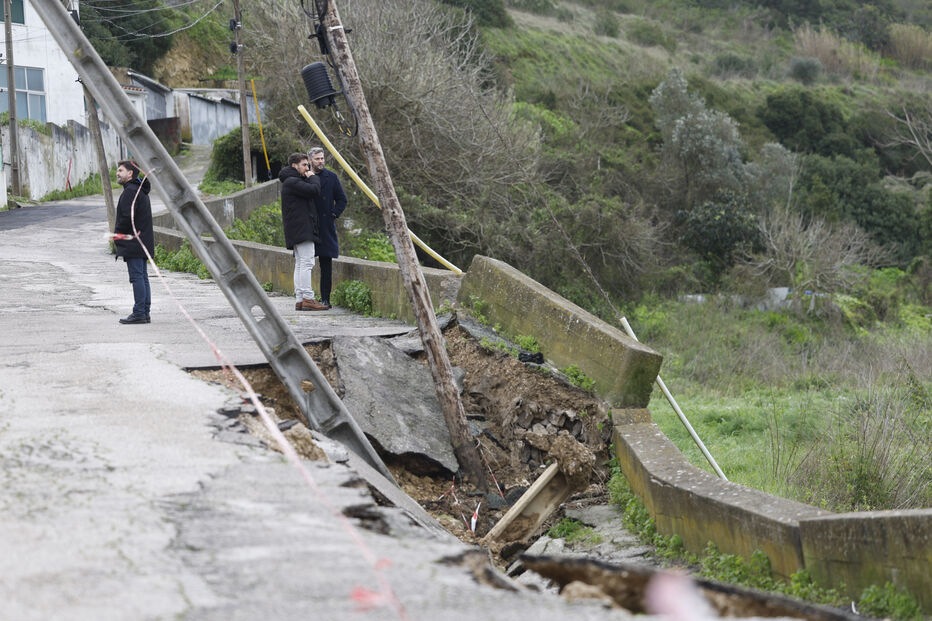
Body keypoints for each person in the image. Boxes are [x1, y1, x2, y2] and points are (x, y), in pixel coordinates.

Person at [280, 152, 327, 311]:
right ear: (295, 165)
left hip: (297, 228)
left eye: (308, 165)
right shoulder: (292, 181)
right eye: (304, 165)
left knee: (300, 263)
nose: (307, 168)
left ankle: (300, 298)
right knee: (307, 262)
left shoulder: (291, 181)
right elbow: (314, 190)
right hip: (302, 228)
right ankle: (308, 298)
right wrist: (313, 176)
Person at [113, 160, 154, 325]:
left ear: (130, 173)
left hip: (134, 241)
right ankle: (144, 312)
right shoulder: (139, 190)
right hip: (142, 241)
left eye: (120, 170)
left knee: (137, 277)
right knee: (142, 277)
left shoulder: (131, 191)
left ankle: (139, 312)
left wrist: (118, 235)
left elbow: (126, 218)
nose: (117, 173)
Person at [309, 147, 348, 309]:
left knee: (326, 264)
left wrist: (332, 214)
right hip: (308, 225)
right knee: (305, 262)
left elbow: (342, 200)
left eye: (322, 158)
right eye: (317, 159)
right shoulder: (304, 177)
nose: (321, 161)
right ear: (310, 160)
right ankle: (304, 297)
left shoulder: (331, 177)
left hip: (325, 226)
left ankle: (325, 299)